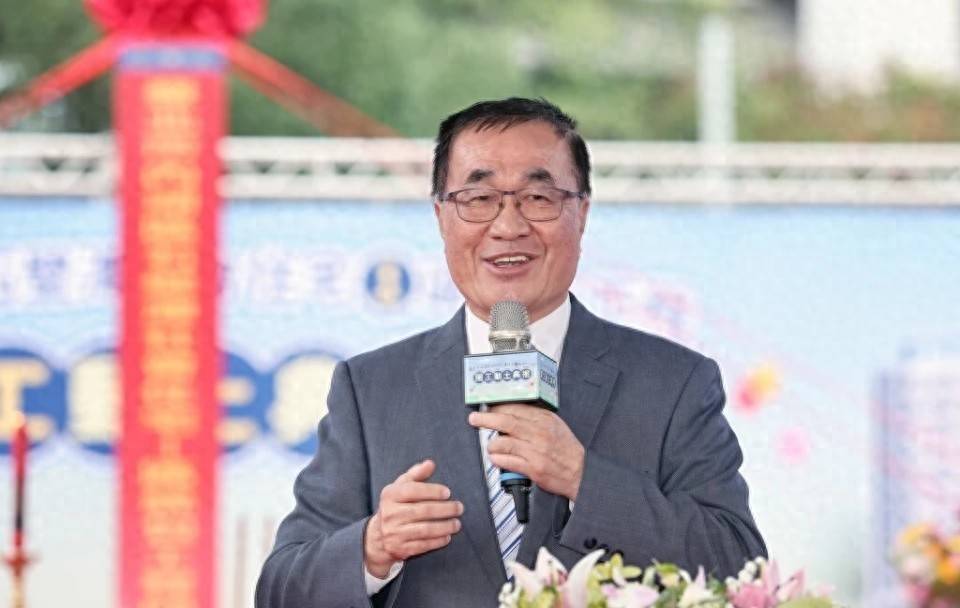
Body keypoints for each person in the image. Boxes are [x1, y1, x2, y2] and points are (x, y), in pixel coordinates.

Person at [256, 98, 766, 608]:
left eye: (538, 197)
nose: (508, 226)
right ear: (441, 216)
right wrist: (372, 549)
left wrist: (584, 480)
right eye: (478, 199)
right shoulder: (371, 388)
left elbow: (738, 565)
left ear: (582, 213)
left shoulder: (672, 383)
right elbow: (281, 591)